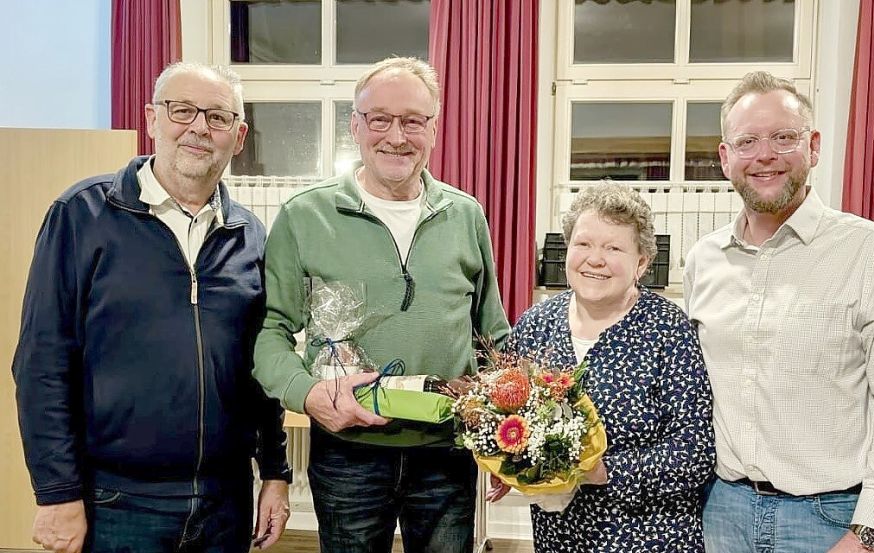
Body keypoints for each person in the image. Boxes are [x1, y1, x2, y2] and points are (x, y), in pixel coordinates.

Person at [12, 62, 292, 553]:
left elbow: (261, 366)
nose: (199, 128)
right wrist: (57, 492)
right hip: (117, 500)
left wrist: (275, 470)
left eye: (218, 117)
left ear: (239, 135)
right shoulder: (82, 215)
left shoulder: (249, 235)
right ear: (152, 118)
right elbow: (42, 361)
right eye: (182, 110)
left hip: (225, 499)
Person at [252, 56, 511, 553]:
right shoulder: (305, 216)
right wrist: (307, 394)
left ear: (434, 130)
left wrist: (503, 434)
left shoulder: (465, 215)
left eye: (413, 121)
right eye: (380, 119)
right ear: (356, 125)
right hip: (348, 456)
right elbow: (271, 332)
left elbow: (491, 335)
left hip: (447, 454)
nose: (397, 136)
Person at [683, 71, 874, 553]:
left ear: (813, 146)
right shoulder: (704, 260)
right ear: (725, 158)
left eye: (784, 137)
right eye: (747, 141)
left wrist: (868, 533)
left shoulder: (871, 254)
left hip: (830, 519)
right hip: (722, 513)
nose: (765, 155)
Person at [491, 182, 715, 552]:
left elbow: (694, 453)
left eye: (613, 248)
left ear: (641, 262)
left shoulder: (669, 330)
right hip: (558, 537)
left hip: (649, 537)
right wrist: (505, 458)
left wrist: (601, 469)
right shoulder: (535, 325)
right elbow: (503, 412)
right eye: (584, 244)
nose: (595, 259)